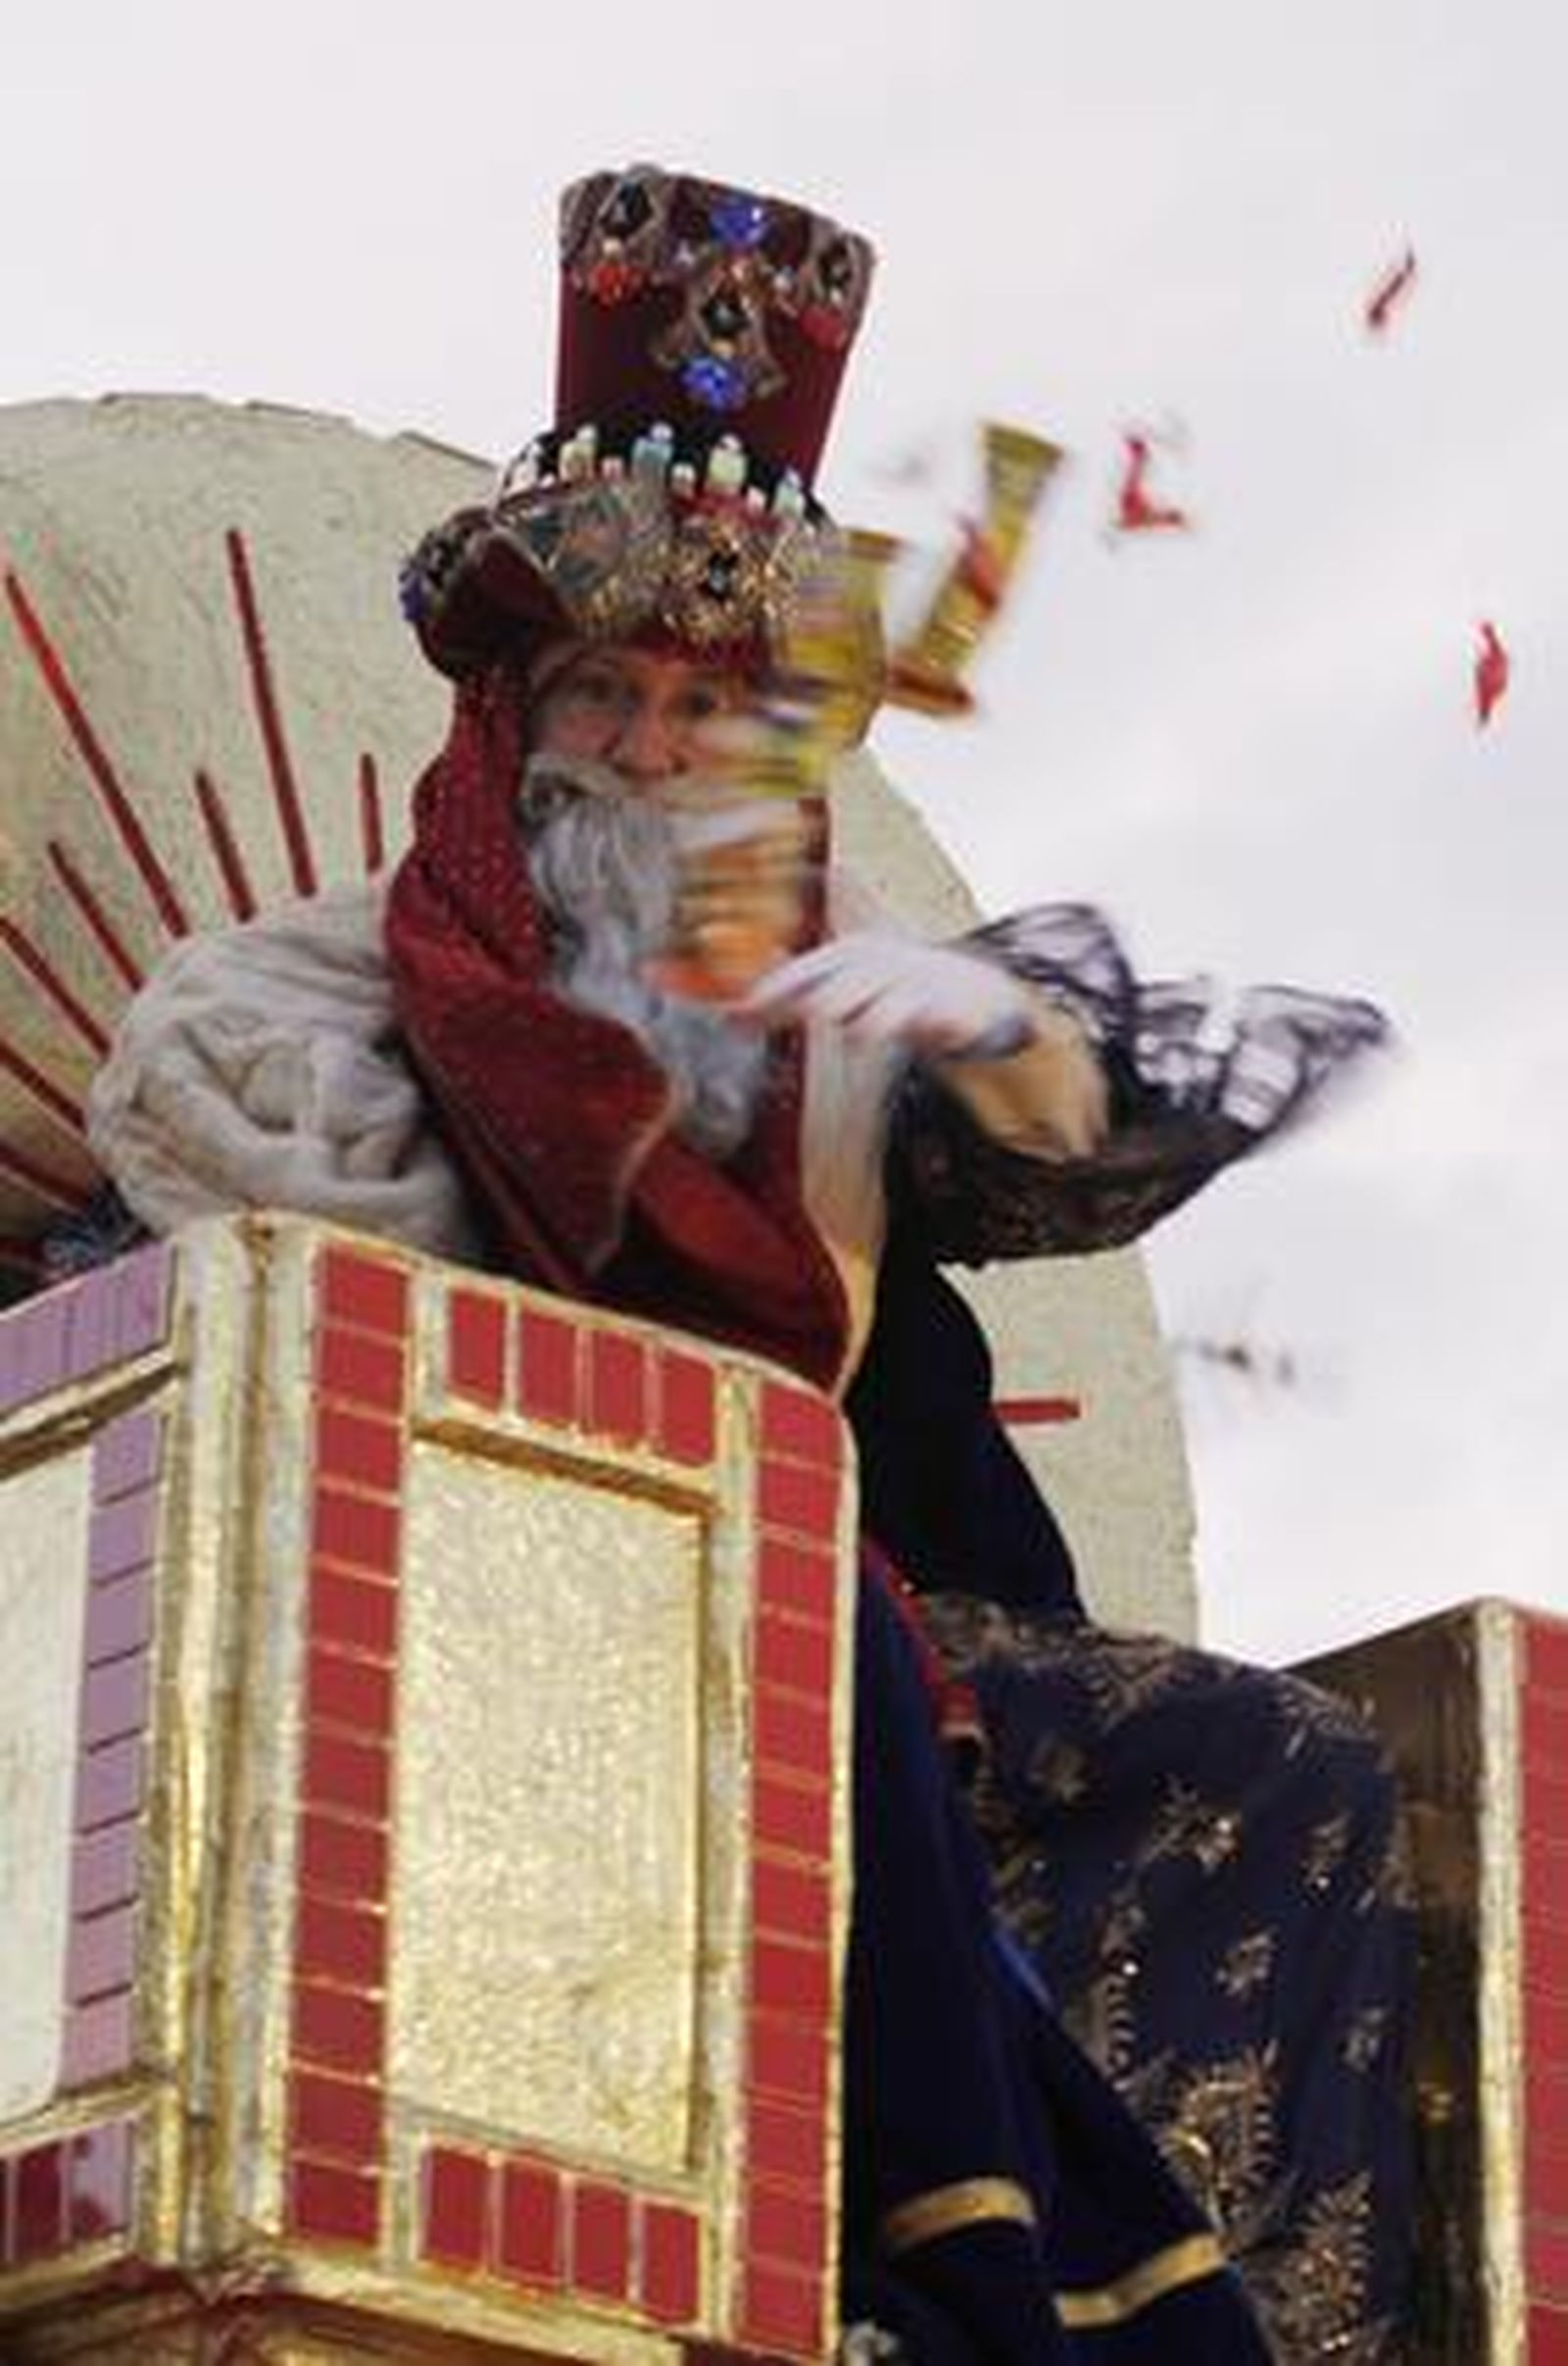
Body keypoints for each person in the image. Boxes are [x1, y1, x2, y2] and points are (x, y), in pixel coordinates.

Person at [78, 167, 1412, 2360]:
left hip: (833, 1624)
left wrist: (984, 1032)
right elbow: (286, 1368)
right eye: (603, 691)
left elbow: (1070, 1158)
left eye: (711, 710)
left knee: (1282, 1761)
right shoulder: (282, 1012)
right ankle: (916, 2281)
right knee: (801, 1612)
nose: (651, 750)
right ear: (508, 721)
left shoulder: (831, 1041)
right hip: (450, 1635)